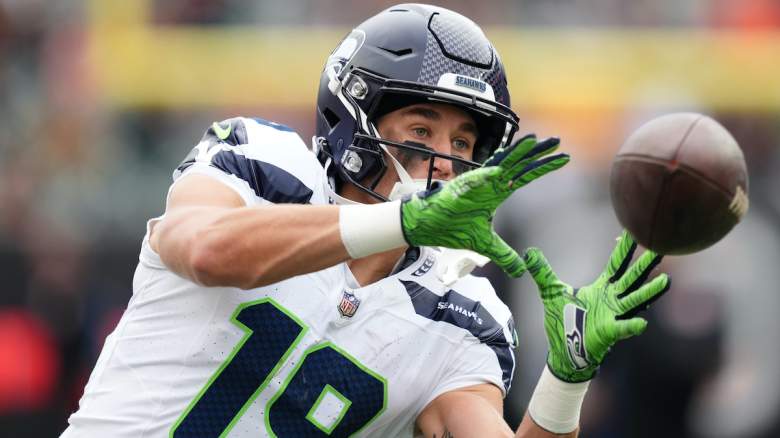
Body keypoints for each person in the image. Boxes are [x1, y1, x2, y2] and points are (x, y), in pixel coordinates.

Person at [61, 4, 669, 437]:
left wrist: (565, 384)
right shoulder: (262, 161)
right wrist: (400, 222)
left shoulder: (461, 310)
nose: (446, 160)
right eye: (422, 129)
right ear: (355, 116)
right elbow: (206, 252)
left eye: (464, 141)